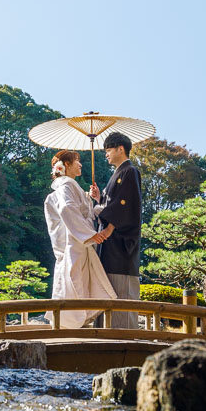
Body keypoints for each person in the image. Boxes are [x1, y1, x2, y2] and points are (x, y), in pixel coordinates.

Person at [43, 149, 116, 328]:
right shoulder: (66, 187)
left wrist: (95, 199)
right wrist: (90, 234)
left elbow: (85, 213)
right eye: (76, 160)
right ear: (67, 165)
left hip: (78, 242)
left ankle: (73, 322)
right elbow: (67, 209)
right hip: (73, 243)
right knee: (73, 280)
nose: (80, 164)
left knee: (78, 281)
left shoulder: (71, 187)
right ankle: (68, 324)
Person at [89, 130, 142, 329]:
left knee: (121, 289)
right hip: (109, 243)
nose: (106, 154)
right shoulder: (117, 174)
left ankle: (123, 337)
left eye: (109, 150)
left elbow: (125, 205)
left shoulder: (130, 171)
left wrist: (110, 228)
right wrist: (99, 198)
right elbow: (112, 203)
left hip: (121, 242)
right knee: (107, 287)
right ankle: (106, 333)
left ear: (121, 149)